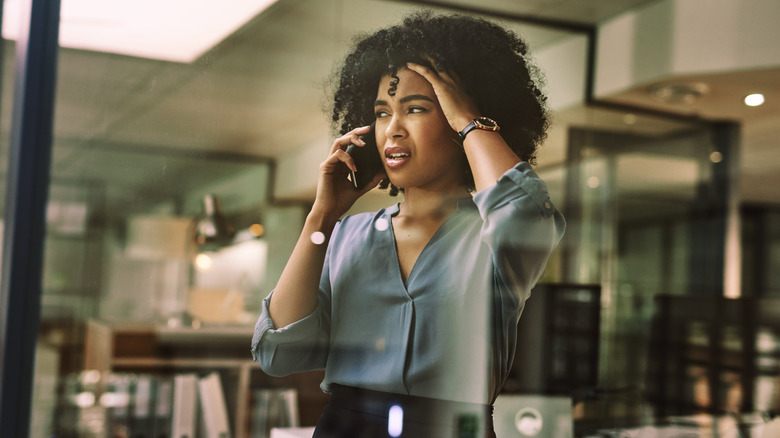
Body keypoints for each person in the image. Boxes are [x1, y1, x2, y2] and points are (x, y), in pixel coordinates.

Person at [251, 11, 565, 438]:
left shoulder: (494, 236)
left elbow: (526, 213)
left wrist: (469, 120)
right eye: (382, 113)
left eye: (416, 109)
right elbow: (277, 354)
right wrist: (321, 217)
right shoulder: (347, 235)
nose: (392, 130)